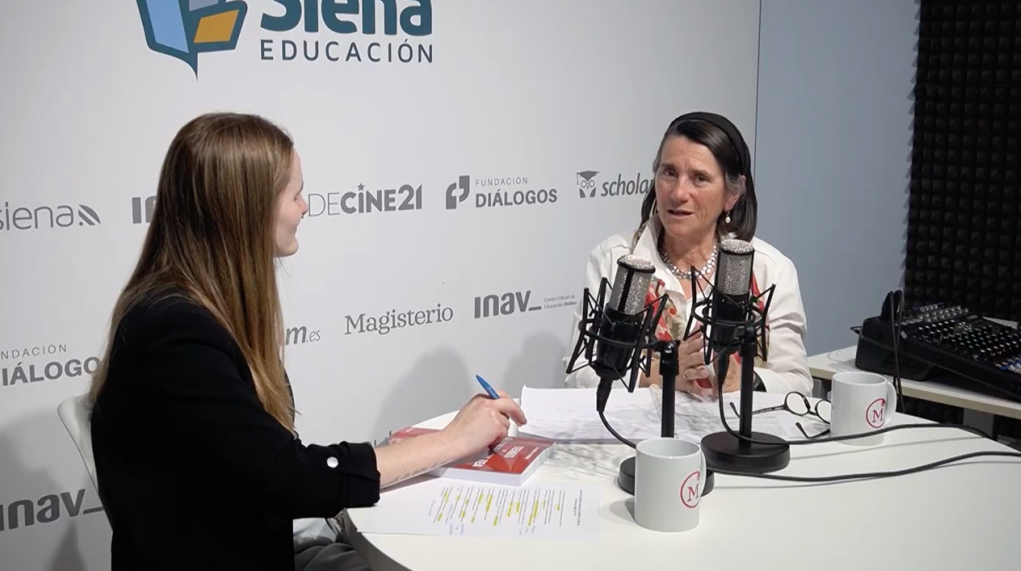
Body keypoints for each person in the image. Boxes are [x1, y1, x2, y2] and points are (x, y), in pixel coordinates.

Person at [88, 112, 527, 571]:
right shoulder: (175, 334)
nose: (305, 207)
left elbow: (264, 466)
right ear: (245, 208)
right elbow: (288, 478)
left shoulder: (195, 311)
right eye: (294, 194)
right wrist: (453, 441)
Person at [563, 111, 812, 396]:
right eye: (669, 173)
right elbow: (579, 372)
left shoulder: (769, 270)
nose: (678, 193)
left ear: (733, 194)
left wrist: (743, 381)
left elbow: (797, 382)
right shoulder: (616, 258)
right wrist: (659, 374)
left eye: (699, 178)